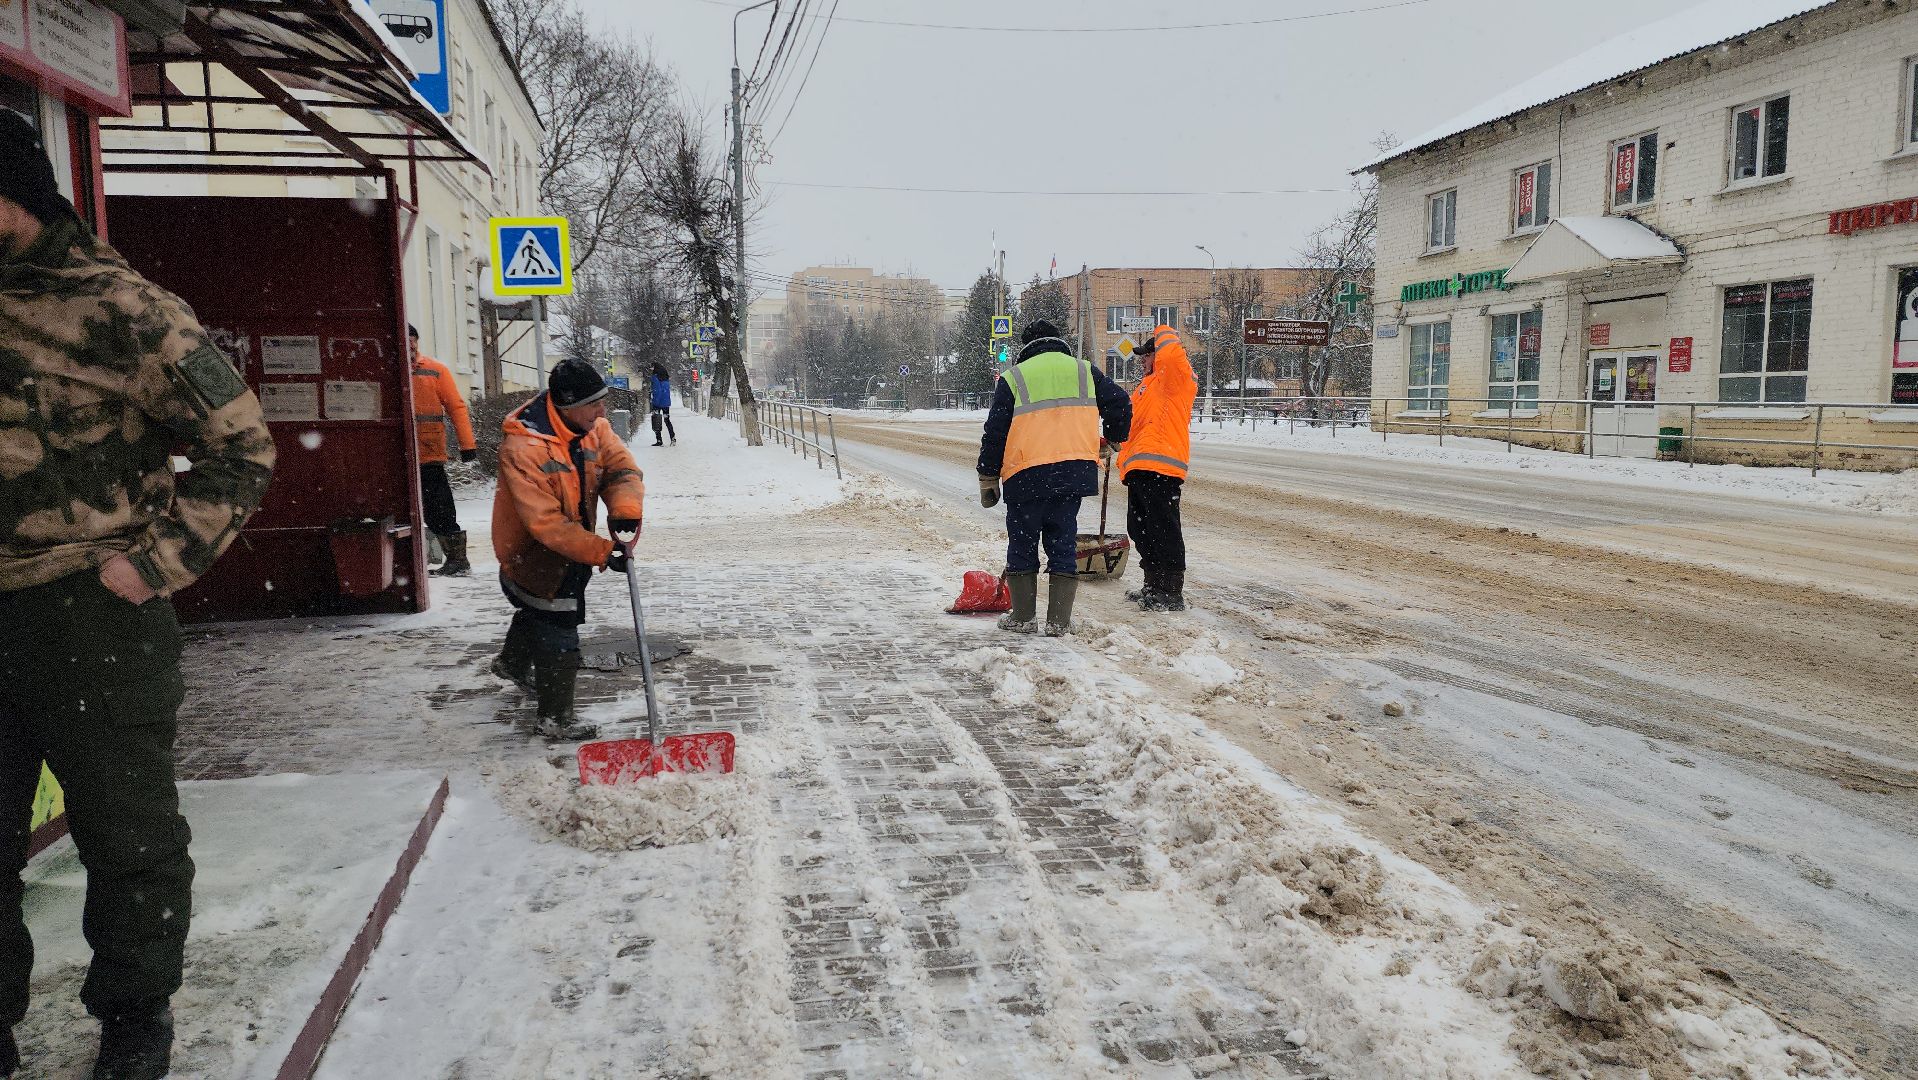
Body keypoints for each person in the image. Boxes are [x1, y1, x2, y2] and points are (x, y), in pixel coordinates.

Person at [0, 112, 276, 1080]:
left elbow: (243, 448)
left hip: (92, 616)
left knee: (127, 836)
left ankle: (133, 1016)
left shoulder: (124, 309)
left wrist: (150, 566)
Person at [490, 359, 644, 740]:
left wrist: (625, 508)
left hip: (572, 545)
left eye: (603, 402)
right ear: (567, 406)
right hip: (532, 553)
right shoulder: (523, 448)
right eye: (594, 404)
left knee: (539, 612)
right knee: (558, 625)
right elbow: (547, 524)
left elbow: (621, 469)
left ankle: (512, 664)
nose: (602, 411)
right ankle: (555, 718)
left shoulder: (594, 427)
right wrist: (601, 550)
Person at [977, 320, 1131, 635]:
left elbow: (995, 432)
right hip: (1071, 473)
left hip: (1025, 474)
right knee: (1062, 541)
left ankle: (1023, 617)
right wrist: (1115, 437)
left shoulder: (1014, 377)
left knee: (1023, 542)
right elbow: (1120, 402)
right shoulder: (1084, 371)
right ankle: (1058, 621)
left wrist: (988, 476)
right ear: (1058, 342)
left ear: (1026, 347)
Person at [1119, 324, 1197, 611]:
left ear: (1160, 356)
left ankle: (1171, 591)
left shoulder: (1174, 379)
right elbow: (1133, 426)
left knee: (1164, 528)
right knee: (1140, 528)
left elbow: (1173, 354)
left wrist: (1162, 329)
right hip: (1139, 467)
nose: (1142, 360)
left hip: (1162, 466)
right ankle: (1152, 584)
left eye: (1147, 355)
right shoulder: (1146, 387)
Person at [409, 325, 479, 576]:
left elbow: (456, 407)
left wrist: (467, 445)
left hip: (428, 453)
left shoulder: (435, 370)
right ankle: (417, 560)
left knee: (438, 508)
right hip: (400, 454)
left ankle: (457, 559)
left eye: (413, 340)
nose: (411, 345)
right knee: (420, 508)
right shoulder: (391, 369)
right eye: (406, 340)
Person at [648, 362, 677, 446]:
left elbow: (657, 391)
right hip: (666, 403)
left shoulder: (655, 377)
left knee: (656, 421)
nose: (651, 369)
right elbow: (665, 391)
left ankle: (659, 440)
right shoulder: (665, 377)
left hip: (658, 403)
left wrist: (655, 402)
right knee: (667, 420)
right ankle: (673, 438)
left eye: (652, 367)